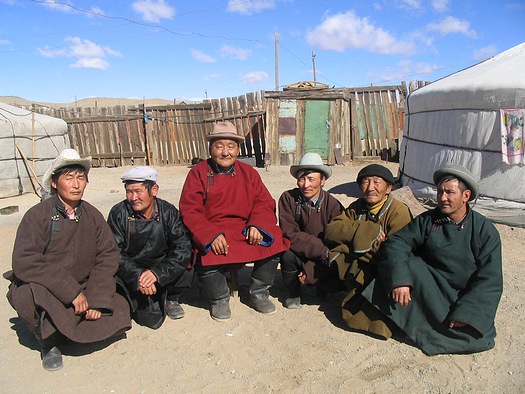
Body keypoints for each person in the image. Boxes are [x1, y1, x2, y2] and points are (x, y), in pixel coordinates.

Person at [4, 149, 131, 372]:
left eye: (80, 178)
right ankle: (48, 343)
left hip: (84, 285)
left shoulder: (92, 215)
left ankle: (69, 325)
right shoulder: (37, 215)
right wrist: (70, 291)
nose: (76, 185)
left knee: (120, 304)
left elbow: (107, 255)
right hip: (51, 287)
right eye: (69, 178)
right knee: (28, 294)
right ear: (55, 183)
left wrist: (95, 297)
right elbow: (25, 260)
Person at [361, 165, 503, 355]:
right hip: (431, 289)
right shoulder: (428, 220)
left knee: (479, 338)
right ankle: (422, 328)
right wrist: (400, 280)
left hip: (463, 295)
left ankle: (427, 329)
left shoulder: (485, 231)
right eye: (440, 192)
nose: (443, 198)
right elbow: (398, 242)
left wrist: (467, 313)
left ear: (466, 196)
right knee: (407, 263)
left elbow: (490, 279)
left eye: (450, 192)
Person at [179, 121, 290, 321]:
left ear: (238, 149)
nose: (225, 152)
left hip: (244, 229)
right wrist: (210, 234)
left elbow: (264, 202)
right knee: (205, 251)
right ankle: (219, 299)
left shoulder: (249, 173)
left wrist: (257, 225)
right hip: (213, 230)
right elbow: (190, 210)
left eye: (230, 146)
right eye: (219, 146)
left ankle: (259, 293)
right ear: (211, 147)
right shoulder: (198, 173)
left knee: (273, 238)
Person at [324, 164, 412, 338]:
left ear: (389, 188)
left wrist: (355, 241)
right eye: (365, 182)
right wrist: (370, 231)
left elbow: (397, 251)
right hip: (365, 266)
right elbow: (331, 230)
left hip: (386, 270)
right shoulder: (358, 207)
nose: (370, 187)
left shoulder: (398, 212)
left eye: (376, 182)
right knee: (336, 252)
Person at [107, 166, 193, 329]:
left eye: (138, 191)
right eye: (129, 192)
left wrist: (157, 273)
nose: (133, 198)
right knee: (150, 319)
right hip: (132, 271)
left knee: (188, 263)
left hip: (160, 267)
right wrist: (138, 275)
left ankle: (172, 298)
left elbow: (182, 248)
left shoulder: (168, 212)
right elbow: (114, 251)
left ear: (153, 190)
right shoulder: (118, 213)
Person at [278, 152, 344, 309]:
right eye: (301, 179)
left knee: (338, 259)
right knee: (286, 252)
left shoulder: (334, 205)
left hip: (324, 256)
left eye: (311, 179)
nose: (305, 185)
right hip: (304, 251)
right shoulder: (288, 199)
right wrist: (318, 252)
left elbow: (336, 240)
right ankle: (292, 292)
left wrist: (313, 269)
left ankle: (322, 286)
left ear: (323, 181)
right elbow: (290, 233)